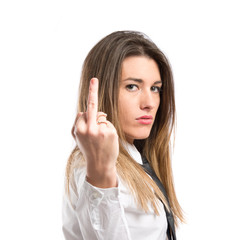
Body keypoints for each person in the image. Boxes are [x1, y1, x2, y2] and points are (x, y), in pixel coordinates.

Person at [62, 31, 184, 240]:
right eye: (132, 86)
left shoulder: (135, 157)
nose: (150, 102)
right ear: (103, 92)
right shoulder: (91, 167)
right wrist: (100, 173)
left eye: (155, 88)